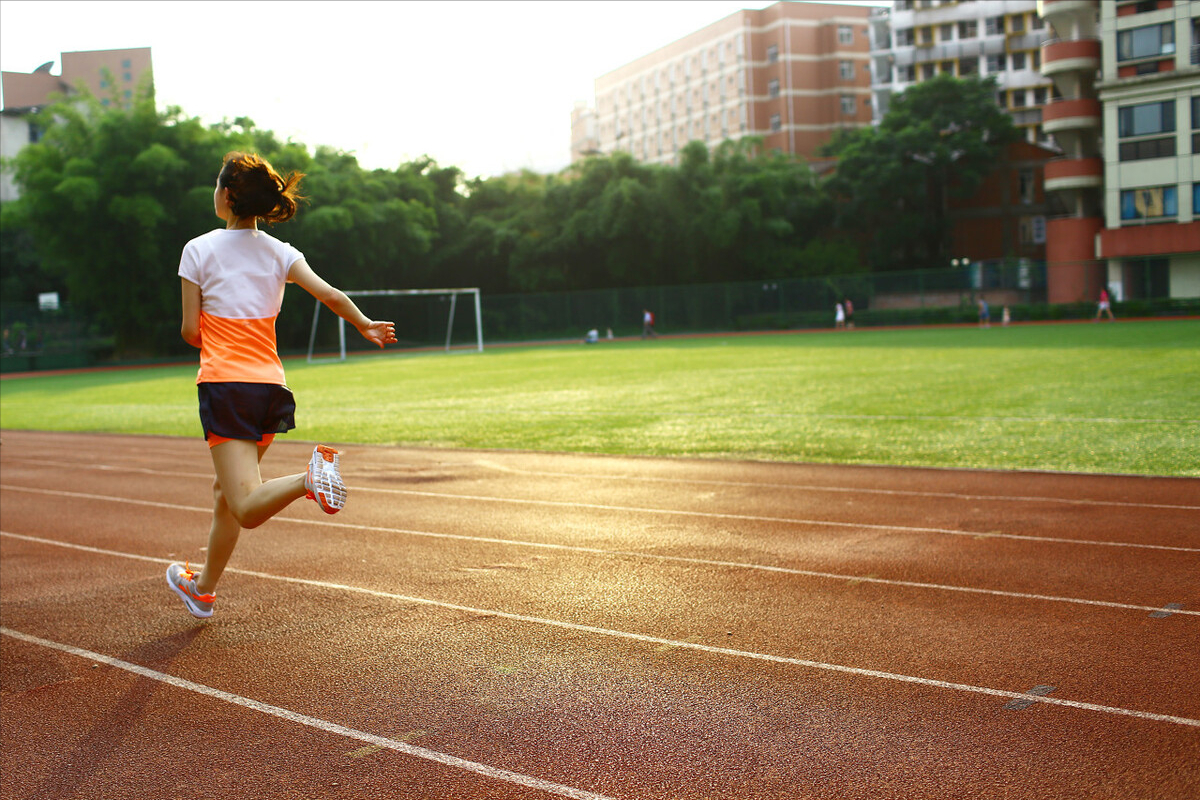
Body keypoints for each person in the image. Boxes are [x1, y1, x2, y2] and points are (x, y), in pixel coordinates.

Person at [167, 151, 397, 619]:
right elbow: (329, 294)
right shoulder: (280, 251)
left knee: (246, 506)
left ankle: (307, 478)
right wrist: (365, 323)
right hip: (270, 388)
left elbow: (191, 332)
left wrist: (215, 324)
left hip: (227, 386)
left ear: (228, 195)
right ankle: (204, 589)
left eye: (216, 186)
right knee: (225, 496)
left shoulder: (197, 249)